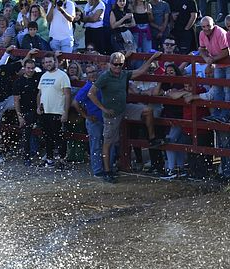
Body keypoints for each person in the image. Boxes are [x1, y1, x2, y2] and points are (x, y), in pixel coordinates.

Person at [87, 50, 161, 182]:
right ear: (110, 64)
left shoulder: (124, 74)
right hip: (112, 113)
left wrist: (151, 58)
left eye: (120, 64)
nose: (117, 67)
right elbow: (91, 93)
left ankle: (152, 138)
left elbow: (140, 71)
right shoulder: (105, 76)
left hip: (123, 108)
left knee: (148, 111)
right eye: (115, 64)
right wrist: (103, 108)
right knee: (108, 142)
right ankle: (107, 171)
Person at [0, 47, 37, 164]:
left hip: (7, 99)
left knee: (23, 102)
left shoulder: (4, 68)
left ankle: (30, 120)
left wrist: (29, 54)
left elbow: (22, 63)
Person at [36, 52, 72, 167]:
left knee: (59, 137)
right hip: (45, 111)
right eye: (46, 62)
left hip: (57, 111)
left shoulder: (62, 76)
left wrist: (65, 112)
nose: (48, 64)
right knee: (47, 137)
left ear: (55, 62)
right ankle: (50, 159)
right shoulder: (44, 76)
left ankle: (62, 160)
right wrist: (38, 106)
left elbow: (67, 95)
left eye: (50, 61)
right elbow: (40, 93)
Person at [199, 17, 230, 123]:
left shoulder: (220, 33)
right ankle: (216, 115)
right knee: (217, 88)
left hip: (229, 63)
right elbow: (201, 49)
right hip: (218, 64)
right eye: (203, 27)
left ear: (213, 24)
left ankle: (225, 115)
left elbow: (226, 52)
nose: (206, 28)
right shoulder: (202, 34)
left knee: (228, 89)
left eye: (208, 26)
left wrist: (212, 59)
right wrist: (206, 58)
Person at [73, 62, 106, 177]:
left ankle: (106, 167)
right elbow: (75, 102)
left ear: (97, 72)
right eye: (89, 73)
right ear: (86, 75)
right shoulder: (87, 87)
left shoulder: (100, 84)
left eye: (93, 71)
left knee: (105, 144)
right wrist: (86, 116)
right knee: (96, 145)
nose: (91, 74)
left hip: (104, 118)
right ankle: (97, 170)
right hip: (94, 120)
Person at [13, 57, 42, 165]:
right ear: (24, 68)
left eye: (32, 68)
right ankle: (26, 157)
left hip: (39, 108)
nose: (30, 70)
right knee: (27, 134)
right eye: (28, 68)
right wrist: (19, 116)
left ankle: (44, 154)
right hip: (26, 110)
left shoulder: (38, 76)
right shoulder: (19, 82)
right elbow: (16, 100)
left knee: (46, 130)